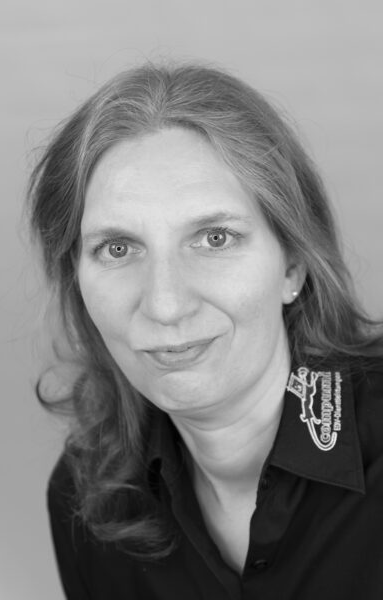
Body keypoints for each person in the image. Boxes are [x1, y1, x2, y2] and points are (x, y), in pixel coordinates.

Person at [28, 61, 383, 600]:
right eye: (118, 249)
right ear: (75, 282)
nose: (166, 305)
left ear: (293, 264)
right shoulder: (86, 499)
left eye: (215, 238)